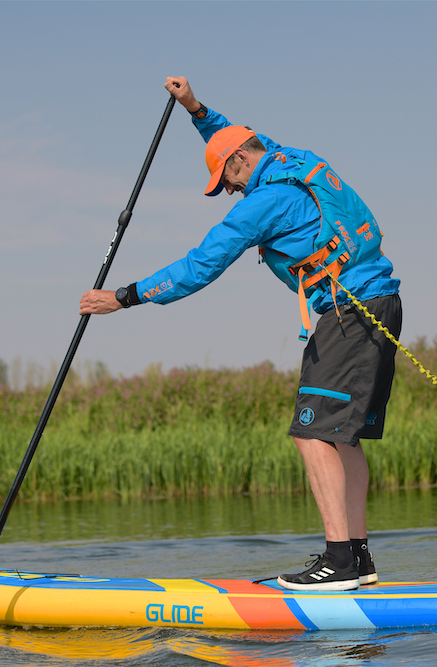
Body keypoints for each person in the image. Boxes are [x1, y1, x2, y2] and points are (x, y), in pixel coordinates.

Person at [80, 76, 402, 591]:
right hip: (377, 303)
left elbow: (199, 265)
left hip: (349, 311)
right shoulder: (293, 159)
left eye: (226, 182)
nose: (228, 191)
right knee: (343, 437)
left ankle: (339, 562)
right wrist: (194, 108)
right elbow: (238, 135)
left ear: (238, 165)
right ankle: (357, 559)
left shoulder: (261, 202)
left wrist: (123, 297)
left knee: (313, 432)